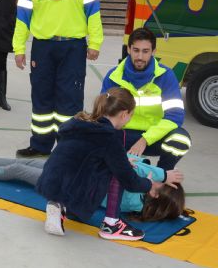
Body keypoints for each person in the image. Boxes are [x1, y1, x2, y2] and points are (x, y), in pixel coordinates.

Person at [31, 88, 172, 240]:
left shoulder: (78, 121)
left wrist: (120, 160)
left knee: (104, 164)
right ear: (124, 114)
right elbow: (129, 181)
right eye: (131, 116)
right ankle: (112, 224)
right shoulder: (109, 138)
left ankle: (59, 204)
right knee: (118, 170)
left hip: (49, 182)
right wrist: (149, 185)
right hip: (75, 195)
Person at [13, 0, 104, 158]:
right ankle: (40, 145)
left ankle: (68, 147)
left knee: (70, 98)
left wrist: (95, 43)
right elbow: (22, 17)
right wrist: (19, 48)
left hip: (73, 47)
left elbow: (93, 12)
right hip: (43, 48)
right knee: (41, 96)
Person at [0, 136, 185, 223]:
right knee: (28, 163)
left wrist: (153, 174)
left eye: (161, 184)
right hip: (76, 170)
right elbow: (136, 164)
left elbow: (129, 170)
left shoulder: (133, 200)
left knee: (19, 171)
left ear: (155, 194)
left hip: (70, 184)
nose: (158, 178)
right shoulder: (146, 186)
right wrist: (160, 175)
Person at [101, 28, 190, 170]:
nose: (140, 57)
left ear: (153, 52)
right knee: (98, 136)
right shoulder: (114, 76)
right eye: (136, 50)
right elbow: (103, 114)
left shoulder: (166, 76)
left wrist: (145, 140)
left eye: (145, 51)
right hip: (122, 135)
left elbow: (175, 116)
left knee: (181, 138)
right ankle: (116, 171)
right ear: (129, 49)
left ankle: (160, 177)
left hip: (154, 136)